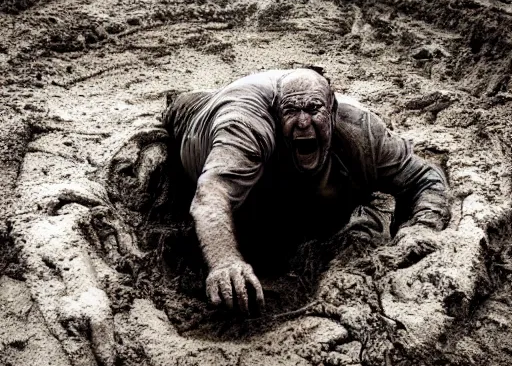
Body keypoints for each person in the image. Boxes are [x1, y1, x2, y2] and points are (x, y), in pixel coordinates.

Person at [116, 68, 450, 314]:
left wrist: (418, 230)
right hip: (205, 114)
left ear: (332, 111)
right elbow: (210, 197)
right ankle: (180, 102)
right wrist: (225, 262)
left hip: (301, 182)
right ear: (276, 116)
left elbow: (425, 179)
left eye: (314, 110)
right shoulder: (247, 129)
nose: (303, 123)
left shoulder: (362, 132)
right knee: (181, 111)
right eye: (291, 111)